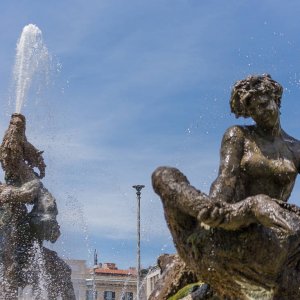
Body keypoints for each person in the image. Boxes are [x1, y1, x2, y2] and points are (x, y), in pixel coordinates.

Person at [152, 74, 300, 299]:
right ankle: (208, 220)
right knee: (164, 176)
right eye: (253, 110)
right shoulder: (239, 135)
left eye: (263, 104)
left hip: (269, 233)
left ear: (275, 99)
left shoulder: (295, 150)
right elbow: (226, 178)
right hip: (232, 221)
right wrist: (214, 212)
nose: (261, 112)